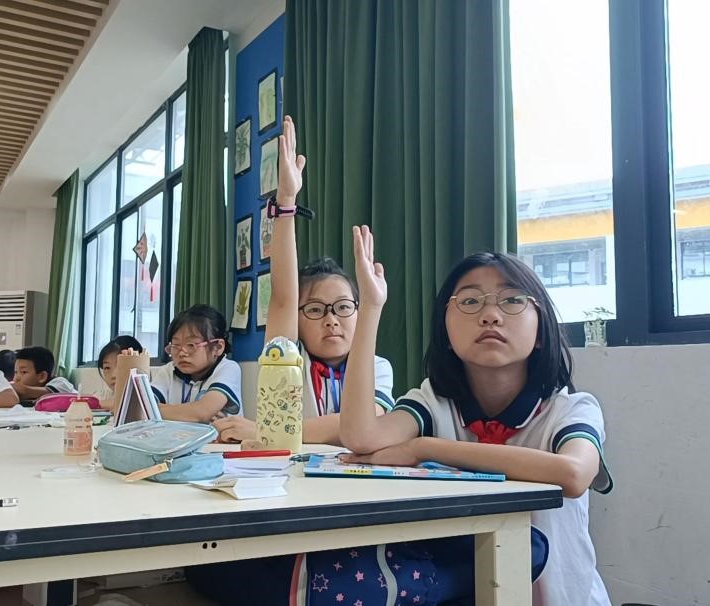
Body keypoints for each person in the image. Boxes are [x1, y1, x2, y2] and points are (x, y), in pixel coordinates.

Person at [340, 228, 613, 605]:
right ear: (446, 332)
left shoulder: (571, 409)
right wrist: (371, 308)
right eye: (469, 301)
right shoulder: (434, 403)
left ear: (540, 331)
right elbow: (361, 437)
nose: (490, 315)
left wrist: (427, 449)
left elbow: (573, 474)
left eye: (512, 300)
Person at [213, 116, 394, 444]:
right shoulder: (288, 356)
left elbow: (364, 424)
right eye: (315, 309)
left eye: (343, 307)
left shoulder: (376, 367)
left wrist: (266, 431)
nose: (331, 320)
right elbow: (283, 296)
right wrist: (286, 202)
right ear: (297, 319)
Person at [152, 304, 242, 422]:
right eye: (176, 345)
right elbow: (141, 408)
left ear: (218, 347)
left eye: (191, 345)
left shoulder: (228, 369)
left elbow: (202, 412)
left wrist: (157, 410)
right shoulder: (168, 371)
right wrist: (196, 412)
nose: (182, 353)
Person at [93, 335, 147, 411]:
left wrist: (94, 404)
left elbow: (131, 404)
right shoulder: (104, 395)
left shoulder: (147, 394)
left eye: (120, 365)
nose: (113, 375)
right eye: (107, 368)